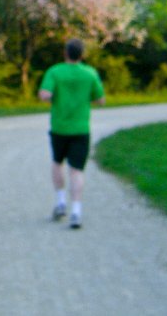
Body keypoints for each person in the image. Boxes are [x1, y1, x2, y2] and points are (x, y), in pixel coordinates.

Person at [38, 38, 105, 229]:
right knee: (77, 170)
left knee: (57, 163)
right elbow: (100, 100)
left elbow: (45, 95)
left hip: (59, 127)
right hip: (81, 128)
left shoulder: (55, 72)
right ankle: (76, 211)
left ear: (65, 53)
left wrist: (51, 97)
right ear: (82, 55)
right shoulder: (90, 73)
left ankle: (60, 202)